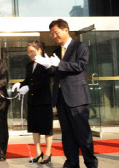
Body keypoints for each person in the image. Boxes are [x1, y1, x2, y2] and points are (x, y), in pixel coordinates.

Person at [35, 19, 98, 168]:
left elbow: (81, 66)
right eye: (52, 34)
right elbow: (56, 73)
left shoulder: (79, 46)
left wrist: (60, 64)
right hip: (61, 98)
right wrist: (47, 66)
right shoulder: (57, 51)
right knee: (67, 135)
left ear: (66, 30)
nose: (54, 36)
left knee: (83, 134)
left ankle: (91, 164)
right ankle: (71, 162)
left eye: (56, 33)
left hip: (77, 98)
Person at [12, 41, 53, 164]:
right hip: (33, 100)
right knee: (35, 128)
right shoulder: (29, 65)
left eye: (32, 51)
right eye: (28, 51)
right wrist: (21, 84)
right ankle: (38, 152)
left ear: (40, 49)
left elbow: (44, 81)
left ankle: (48, 152)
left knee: (46, 128)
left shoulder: (47, 63)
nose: (29, 54)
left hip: (44, 100)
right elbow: (28, 80)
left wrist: (29, 87)